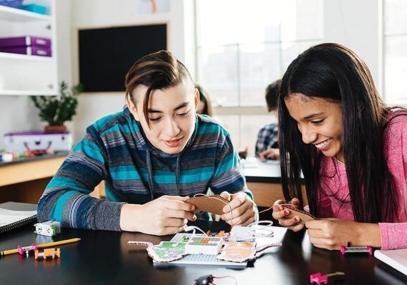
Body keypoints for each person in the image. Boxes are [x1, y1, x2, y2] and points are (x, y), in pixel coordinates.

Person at [272, 43, 407, 250]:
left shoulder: (403, 131)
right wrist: (308, 216)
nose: (306, 137)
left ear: (353, 105)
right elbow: (345, 221)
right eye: (298, 123)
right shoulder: (321, 149)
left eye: (317, 121)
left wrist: (359, 234)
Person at [38, 50, 257, 235]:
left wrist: (243, 209)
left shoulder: (215, 137)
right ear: (132, 108)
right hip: (125, 261)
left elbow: (238, 198)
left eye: (183, 112)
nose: (173, 130)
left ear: (196, 100)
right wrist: (135, 216)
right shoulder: (107, 135)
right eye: (155, 117)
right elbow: (50, 203)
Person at [255, 79, 280, 160]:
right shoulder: (265, 131)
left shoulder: (305, 134)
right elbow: (259, 161)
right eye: (276, 109)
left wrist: (285, 156)